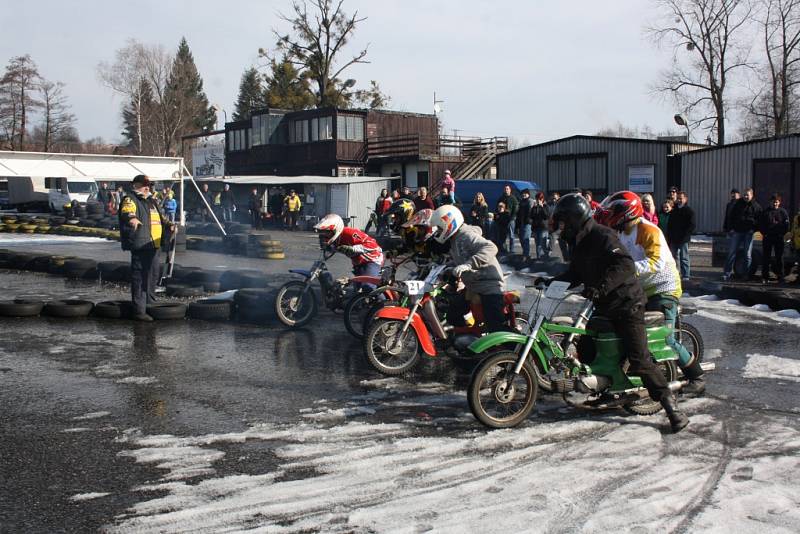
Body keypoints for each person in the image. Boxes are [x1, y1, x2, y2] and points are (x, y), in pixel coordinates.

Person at [550, 193, 689, 432]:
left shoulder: (603, 236)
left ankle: (671, 407)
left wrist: (600, 287)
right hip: (604, 306)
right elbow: (574, 274)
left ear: (575, 219)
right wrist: (549, 283)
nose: (562, 227)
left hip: (627, 305)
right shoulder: (581, 244)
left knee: (640, 359)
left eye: (564, 222)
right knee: (587, 348)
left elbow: (624, 266)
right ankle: (605, 387)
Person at [594, 190, 705, 396]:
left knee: (665, 339)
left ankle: (696, 377)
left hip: (664, 289)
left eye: (613, 212)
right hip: (640, 290)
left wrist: (626, 269)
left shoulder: (647, 229)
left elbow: (656, 262)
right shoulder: (621, 233)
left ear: (626, 212)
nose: (609, 216)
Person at [429, 204, 508, 333]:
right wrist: (445, 268)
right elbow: (461, 259)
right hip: (473, 286)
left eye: (439, 227)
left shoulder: (466, 235)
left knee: (495, 326)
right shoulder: (454, 239)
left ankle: (515, 350)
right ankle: (466, 340)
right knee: (453, 313)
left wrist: (469, 264)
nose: (437, 230)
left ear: (448, 223)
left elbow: (491, 247)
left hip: (489, 286)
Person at [119, 175, 175, 322]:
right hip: (140, 244)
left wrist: (170, 225)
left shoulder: (152, 201)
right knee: (140, 277)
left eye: (149, 185)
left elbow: (162, 218)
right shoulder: (130, 199)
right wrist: (132, 218)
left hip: (154, 245)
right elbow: (127, 211)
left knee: (153, 275)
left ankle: (150, 304)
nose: (147, 187)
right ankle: (139, 311)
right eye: (144, 185)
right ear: (135, 185)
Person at [314, 213, 384, 288]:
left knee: (367, 287)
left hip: (372, 259)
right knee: (357, 294)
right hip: (358, 263)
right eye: (322, 234)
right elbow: (332, 249)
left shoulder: (350, 233)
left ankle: (387, 300)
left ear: (335, 229)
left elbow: (373, 245)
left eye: (326, 233)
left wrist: (353, 249)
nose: (324, 236)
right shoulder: (336, 239)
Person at [723, 187, 762, 281]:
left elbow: (760, 220)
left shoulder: (756, 206)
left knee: (747, 255)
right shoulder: (738, 204)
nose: (745, 196)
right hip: (737, 232)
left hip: (748, 233)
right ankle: (726, 273)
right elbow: (731, 216)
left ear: (752, 195)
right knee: (732, 253)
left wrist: (754, 229)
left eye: (747, 195)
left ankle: (746, 274)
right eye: (744, 194)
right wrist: (730, 229)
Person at [758, 193, 790, 284]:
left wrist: (782, 234)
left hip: (779, 238)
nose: (774, 204)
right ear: (770, 202)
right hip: (768, 238)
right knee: (766, 258)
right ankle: (765, 277)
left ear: (779, 202)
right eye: (773, 202)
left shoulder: (783, 212)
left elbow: (787, 225)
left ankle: (780, 277)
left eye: (776, 202)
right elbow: (760, 225)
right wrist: (765, 234)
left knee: (779, 258)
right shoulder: (765, 212)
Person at [666, 191, 695, 281]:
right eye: (678, 198)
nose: (679, 200)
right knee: (672, 257)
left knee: (684, 257)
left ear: (685, 199)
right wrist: (669, 235)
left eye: (681, 198)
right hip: (674, 238)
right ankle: (675, 273)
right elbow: (670, 224)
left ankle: (686, 275)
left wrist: (686, 236)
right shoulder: (674, 211)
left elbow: (692, 225)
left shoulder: (689, 211)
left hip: (683, 239)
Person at [497, 185, 519, 253]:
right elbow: (497, 207)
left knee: (511, 235)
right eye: (505, 189)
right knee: (503, 235)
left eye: (507, 189)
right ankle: (503, 250)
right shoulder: (501, 198)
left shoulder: (513, 198)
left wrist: (512, 217)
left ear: (510, 190)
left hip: (510, 219)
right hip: (503, 219)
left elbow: (516, 209)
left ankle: (512, 250)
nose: (506, 190)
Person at [530, 191, 551, 259]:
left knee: (542, 244)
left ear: (542, 199)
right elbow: (531, 216)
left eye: (540, 199)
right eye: (537, 199)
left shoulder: (545, 206)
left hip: (543, 228)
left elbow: (546, 216)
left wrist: (542, 207)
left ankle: (544, 257)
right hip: (536, 227)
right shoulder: (535, 207)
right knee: (537, 244)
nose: (538, 200)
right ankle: (539, 257)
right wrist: (533, 208)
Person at [516, 189, 534, 258]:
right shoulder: (521, 202)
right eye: (523, 193)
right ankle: (525, 253)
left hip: (527, 223)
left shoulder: (530, 201)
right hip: (521, 223)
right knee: (521, 239)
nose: (524, 195)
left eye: (525, 193)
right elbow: (518, 213)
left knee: (525, 238)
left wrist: (528, 219)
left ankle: (526, 255)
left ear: (528, 194)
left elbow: (530, 211)